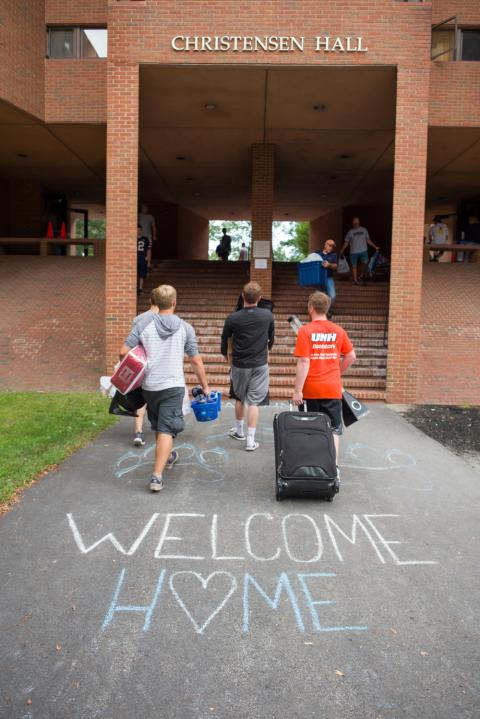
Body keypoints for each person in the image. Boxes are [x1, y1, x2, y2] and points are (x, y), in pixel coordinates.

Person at [120, 285, 210, 492]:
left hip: (149, 386)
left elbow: (123, 352)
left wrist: (139, 365)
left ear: (155, 303)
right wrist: (205, 386)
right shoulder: (185, 328)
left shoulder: (143, 324)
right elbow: (195, 361)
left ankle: (167, 455)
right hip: (173, 386)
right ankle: (157, 476)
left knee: (161, 427)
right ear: (174, 302)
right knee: (166, 429)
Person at [292, 291, 356, 465]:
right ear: (326, 308)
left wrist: (298, 390)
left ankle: (311, 465)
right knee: (333, 429)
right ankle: (332, 468)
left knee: (309, 428)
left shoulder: (305, 331)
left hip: (310, 389)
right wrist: (337, 372)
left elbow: (304, 361)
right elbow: (351, 356)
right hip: (332, 388)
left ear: (311, 308)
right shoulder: (338, 330)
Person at [221, 281, 274, 452]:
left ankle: (239, 431)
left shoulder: (233, 318)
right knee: (254, 402)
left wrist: (225, 355)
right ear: (259, 298)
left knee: (239, 397)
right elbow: (271, 338)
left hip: (239, 364)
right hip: (260, 363)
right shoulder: (267, 315)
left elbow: (225, 340)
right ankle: (250, 441)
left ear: (242, 296)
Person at [340, 217, 379, 286]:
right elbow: (346, 242)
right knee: (354, 266)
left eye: (357, 222)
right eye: (354, 222)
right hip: (353, 252)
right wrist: (342, 249)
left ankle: (361, 274)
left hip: (363, 251)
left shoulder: (364, 230)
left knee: (365, 262)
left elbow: (368, 240)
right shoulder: (350, 232)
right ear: (352, 223)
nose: (356, 224)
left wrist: (375, 246)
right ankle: (355, 281)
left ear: (359, 222)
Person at [316, 238, 337, 313]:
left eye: (332, 246)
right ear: (325, 245)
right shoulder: (317, 254)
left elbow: (335, 266)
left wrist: (329, 265)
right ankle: (322, 313)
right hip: (319, 279)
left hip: (329, 278)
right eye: (330, 246)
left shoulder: (333, 255)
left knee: (333, 296)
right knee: (319, 297)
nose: (331, 248)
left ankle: (328, 310)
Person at [138, 203, 157, 268]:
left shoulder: (150, 217)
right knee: (140, 249)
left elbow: (153, 226)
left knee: (148, 249)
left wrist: (154, 235)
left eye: (146, 208)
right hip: (139, 236)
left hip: (148, 236)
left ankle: (148, 263)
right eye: (143, 208)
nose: (144, 209)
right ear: (141, 209)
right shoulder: (138, 215)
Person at [137, 224, 151, 295]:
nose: (138, 232)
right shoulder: (132, 238)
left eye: (139, 230)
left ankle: (140, 288)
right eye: (137, 230)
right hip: (134, 259)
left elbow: (148, 250)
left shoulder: (145, 239)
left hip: (142, 258)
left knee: (142, 274)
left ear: (141, 230)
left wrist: (148, 260)